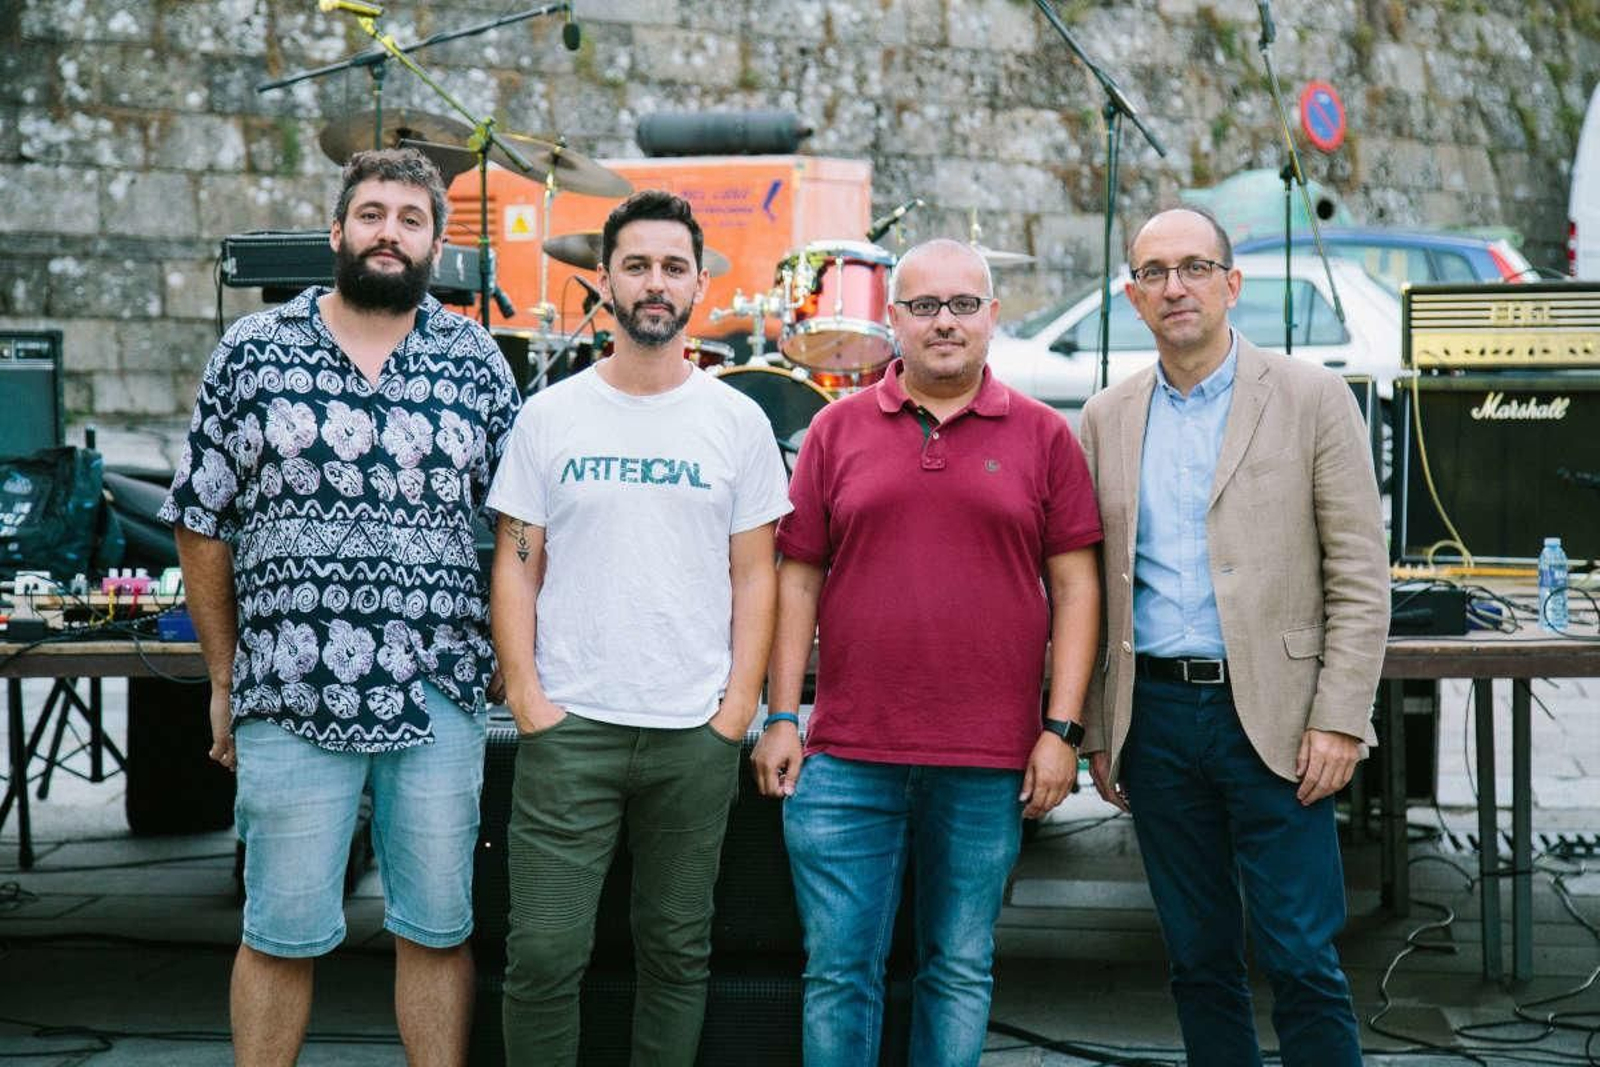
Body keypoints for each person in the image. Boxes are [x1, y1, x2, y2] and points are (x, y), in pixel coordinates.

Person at [161, 146, 520, 1066]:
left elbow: (523, 528)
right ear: (337, 231)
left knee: (438, 928)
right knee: (279, 930)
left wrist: (518, 669)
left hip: (435, 689)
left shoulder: (475, 361)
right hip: (287, 687)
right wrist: (220, 675)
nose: (388, 232)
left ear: (436, 244)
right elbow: (202, 519)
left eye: (410, 218)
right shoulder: (254, 352)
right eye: (372, 214)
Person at [751, 238, 1103, 1066]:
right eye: (923, 306)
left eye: (963, 305)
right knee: (839, 971)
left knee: (960, 968)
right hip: (845, 755)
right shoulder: (835, 430)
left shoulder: (1046, 436)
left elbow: (1079, 590)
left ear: (992, 317)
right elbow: (794, 580)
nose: (944, 322)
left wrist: (1064, 729)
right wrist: (779, 716)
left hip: (989, 760)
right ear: (892, 319)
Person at [1078, 206, 1390, 1066]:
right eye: (1153, 273)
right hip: (1160, 724)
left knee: (1301, 954)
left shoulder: (1312, 399)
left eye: (1193, 266)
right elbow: (1094, 592)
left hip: (1282, 720)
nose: (1174, 286)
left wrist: (1339, 717)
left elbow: (1361, 578)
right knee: (1199, 959)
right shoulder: (1105, 417)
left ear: (1232, 282)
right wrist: (1102, 729)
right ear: (1133, 297)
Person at [487, 189, 792, 1065]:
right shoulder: (550, 416)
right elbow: (516, 562)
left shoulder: (737, 421)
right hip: (570, 728)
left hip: (692, 733)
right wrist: (527, 694)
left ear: (698, 284)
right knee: (542, 955)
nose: (654, 282)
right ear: (604, 282)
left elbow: (755, 573)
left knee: (676, 952)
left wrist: (738, 708)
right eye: (636, 265)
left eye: (672, 266)